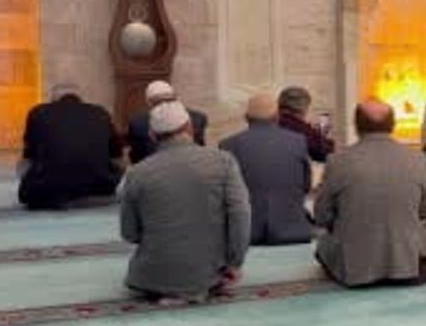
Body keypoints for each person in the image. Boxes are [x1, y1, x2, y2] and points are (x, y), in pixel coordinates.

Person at [120, 101, 251, 303]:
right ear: (190, 128)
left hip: (151, 277)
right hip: (210, 274)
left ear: (152, 136)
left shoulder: (137, 173)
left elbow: (129, 233)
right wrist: (234, 263)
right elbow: (241, 216)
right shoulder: (223, 162)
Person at [314, 100, 426, 287]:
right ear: (393, 125)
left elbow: (321, 216)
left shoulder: (338, 161)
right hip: (408, 266)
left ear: (356, 126)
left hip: (356, 270)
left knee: (323, 245)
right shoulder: (417, 158)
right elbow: (425, 210)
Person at [218, 93, 313, 246]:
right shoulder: (298, 141)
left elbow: (225, 195)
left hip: (247, 235)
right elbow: (306, 185)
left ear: (246, 118)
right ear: (277, 117)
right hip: (292, 231)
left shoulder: (227, 145)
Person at [17, 84, 123, 210]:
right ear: (80, 98)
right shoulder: (100, 112)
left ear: (53, 99)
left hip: (48, 189)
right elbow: (117, 155)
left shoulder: (38, 112)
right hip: (100, 186)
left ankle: (49, 194)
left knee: (23, 164)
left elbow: (30, 154)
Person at [126, 80, 208, 164]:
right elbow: (136, 157)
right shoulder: (137, 123)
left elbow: (200, 149)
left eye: (168, 100)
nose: (164, 105)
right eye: (158, 102)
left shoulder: (198, 118)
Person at [277, 86, 335, 163]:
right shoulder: (301, 128)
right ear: (303, 109)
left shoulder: (270, 123)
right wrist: (321, 135)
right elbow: (324, 152)